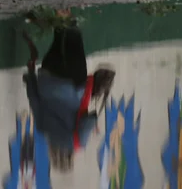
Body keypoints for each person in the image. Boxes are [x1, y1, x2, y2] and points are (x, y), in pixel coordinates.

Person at [22, 25, 116, 172]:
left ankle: (68, 12)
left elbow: (90, 119)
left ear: (70, 157)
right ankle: (58, 13)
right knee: (58, 36)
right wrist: (30, 75)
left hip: (73, 84)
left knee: (74, 37)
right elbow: (34, 99)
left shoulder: (77, 142)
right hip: (47, 80)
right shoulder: (42, 129)